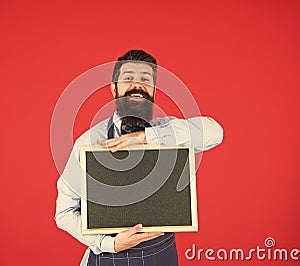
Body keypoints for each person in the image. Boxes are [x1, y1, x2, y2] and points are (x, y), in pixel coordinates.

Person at [55, 49, 224, 265]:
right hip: (108, 257)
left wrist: (146, 137)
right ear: (114, 89)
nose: (138, 85)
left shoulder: (170, 132)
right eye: (128, 78)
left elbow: (215, 132)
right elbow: (65, 212)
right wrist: (108, 244)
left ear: (153, 91)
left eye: (146, 79)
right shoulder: (88, 142)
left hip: (161, 256)